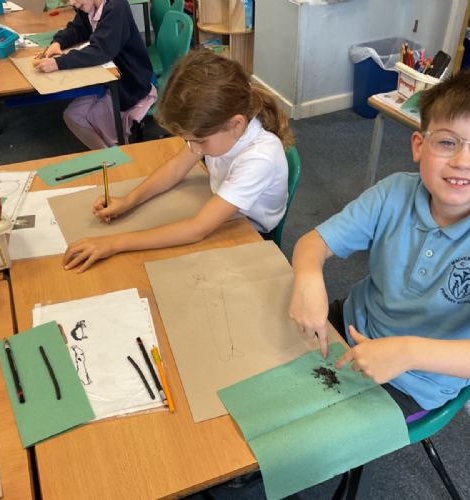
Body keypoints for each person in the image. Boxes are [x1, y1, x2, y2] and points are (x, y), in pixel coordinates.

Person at [290, 69, 470, 416]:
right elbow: (313, 243)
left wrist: (408, 353)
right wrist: (307, 277)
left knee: (313, 429)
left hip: (417, 378)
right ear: (419, 146)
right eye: (447, 142)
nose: (462, 161)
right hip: (355, 323)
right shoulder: (394, 193)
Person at [63, 49, 294, 273]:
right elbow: (175, 168)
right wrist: (128, 201)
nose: (194, 148)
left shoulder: (259, 158)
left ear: (236, 124)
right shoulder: (221, 130)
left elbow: (196, 229)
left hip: (250, 232)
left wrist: (114, 243)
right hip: (221, 206)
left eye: (199, 141)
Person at [33, 0, 156, 149]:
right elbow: (77, 29)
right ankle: (110, 154)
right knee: (72, 116)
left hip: (129, 82)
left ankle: (116, 155)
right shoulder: (89, 6)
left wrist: (58, 63)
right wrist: (58, 43)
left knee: (81, 117)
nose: (73, 3)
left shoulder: (117, 7)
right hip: (108, 77)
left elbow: (101, 51)